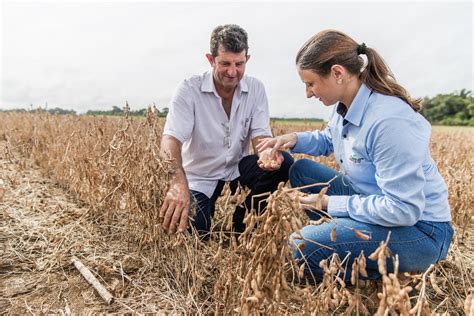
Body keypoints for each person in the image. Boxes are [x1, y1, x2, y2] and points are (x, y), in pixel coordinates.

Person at [257, 29, 453, 280]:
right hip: (376, 203)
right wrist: (291, 139)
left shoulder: (388, 122)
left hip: (421, 231)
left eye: (311, 83)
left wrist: (328, 203)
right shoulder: (346, 104)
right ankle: (351, 239)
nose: (308, 93)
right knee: (302, 171)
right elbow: (330, 138)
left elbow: (403, 210)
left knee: (302, 246)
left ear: (337, 73)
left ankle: (386, 277)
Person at [159, 24, 293, 238]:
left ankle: (244, 224)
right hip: (200, 176)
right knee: (195, 233)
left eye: (239, 64)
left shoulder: (256, 89)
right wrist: (177, 182)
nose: (233, 72)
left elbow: (260, 135)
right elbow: (170, 140)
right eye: (225, 63)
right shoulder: (189, 90)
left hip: (237, 169)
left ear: (247, 59)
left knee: (283, 163)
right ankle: (203, 215)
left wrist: (267, 152)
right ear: (211, 59)